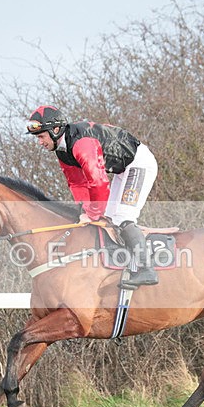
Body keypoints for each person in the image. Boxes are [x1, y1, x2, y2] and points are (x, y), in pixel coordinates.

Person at [26, 105, 159, 288]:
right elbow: (77, 183)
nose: (39, 142)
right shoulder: (63, 150)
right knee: (109, 219)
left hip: (139, 163)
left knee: (123, 217)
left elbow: (98, 183)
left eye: (41, 136)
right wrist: (85, 210)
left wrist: (93, 212)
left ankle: (146, 269)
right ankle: (125, 262)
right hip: (123, 170)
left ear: (55, 130)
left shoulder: (81, 144)